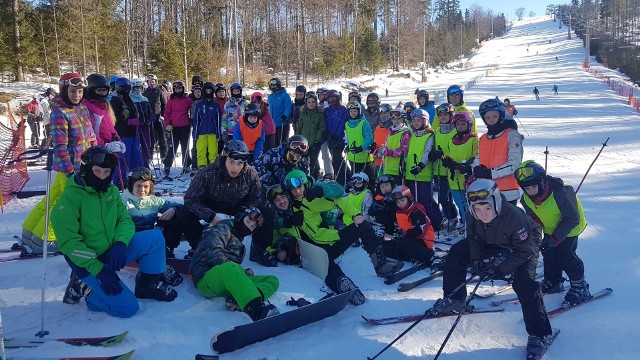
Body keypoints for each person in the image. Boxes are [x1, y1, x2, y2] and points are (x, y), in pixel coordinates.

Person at [432, 179, 553, 358]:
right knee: (457, 252)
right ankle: (456, 299)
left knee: (524, 282)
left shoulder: (515, 217)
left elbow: (524, 252)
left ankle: (539, 334)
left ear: (495, 202)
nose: (483, 214)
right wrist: (477, 261)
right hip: (492, 238)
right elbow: (474, 239)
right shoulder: (473, 214)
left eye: (487, 208)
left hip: (524, 243)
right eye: (478, 210)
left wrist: (499, 270)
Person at [52, 147, 177, 318]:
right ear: (86, 170)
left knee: (155, 237)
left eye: (106, 171)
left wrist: (121, 243)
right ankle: (83, 287)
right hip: (89, 262)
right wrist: (99, 270)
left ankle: (147, 286)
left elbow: (124, 220)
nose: (102, 176)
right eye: (96, 171)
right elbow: (69, 243)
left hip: (113, 251)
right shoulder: (70, 198)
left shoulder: (110, 191)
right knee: (127, 309)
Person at [20, 73, 97, 256]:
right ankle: (45, 239)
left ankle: (30, 232)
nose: (76, 95)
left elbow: (91, 136)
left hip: (83, 164)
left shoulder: (82, 110)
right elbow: (59, 145)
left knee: (53, 199)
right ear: (64, 91)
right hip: (70, 168)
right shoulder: (59, 113)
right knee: (65, 206)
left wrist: (96, 153)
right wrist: (70, 170)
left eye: (79, 91)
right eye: (72, 91)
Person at [283, 169, 403, 278]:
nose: (298, 191)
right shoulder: (286, 207)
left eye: (300, 187)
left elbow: (338, 197)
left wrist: (355, 215)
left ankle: (381, 264)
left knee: (364, 225)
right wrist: (285, 223)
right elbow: (277, 228)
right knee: (331, 271)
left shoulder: (311, 200)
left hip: (331, 242)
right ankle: (342, 284)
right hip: (315, 252)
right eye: (293, 189)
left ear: (305, 185)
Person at [515, 161, 591, 305]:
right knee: (548, 251)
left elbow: (572, 218)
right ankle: (553, 281)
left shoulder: (560, 192)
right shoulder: (525, 199)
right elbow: (534, 219)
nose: (530, 191)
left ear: (542, 182)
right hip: (551, 228)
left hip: (570, 228)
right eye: (527, 188)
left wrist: (556, 238)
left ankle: (580, 286)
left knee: (564, 255)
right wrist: (536, 239)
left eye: (533, 186)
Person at [191, 208, 280, 321]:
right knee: (230, 267)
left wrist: (242, 273)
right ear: (241, 217)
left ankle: (237, 300)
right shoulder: (224, 227)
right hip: (205, 279)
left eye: (252, 226)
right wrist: (237, 270)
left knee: (272, 280)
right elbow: (212, 251)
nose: (248, 226)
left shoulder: (239, 241)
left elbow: (231, 269)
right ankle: (257, 310)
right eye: (248, 221)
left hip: (225, 281)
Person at [121, 167, 202, 259]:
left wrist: (174, 209)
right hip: (132, 240)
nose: (142, 190)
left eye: (146, 186)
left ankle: (195, 247)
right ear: (132, 186)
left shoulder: (152, 200)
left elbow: (183, 208)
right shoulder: (123, 203)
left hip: (152, 238)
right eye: (138, 186)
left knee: (179, 214)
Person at [184, 140, 261, 230]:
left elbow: (255, 199)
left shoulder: (251, 174)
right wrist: (210, 216)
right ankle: (196, 240)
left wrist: (244, 215)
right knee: (183, 212)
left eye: (240, 163)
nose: (235, 168)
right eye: (231, 162)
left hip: (236, 209)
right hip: (209, 208)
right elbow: (190, 199)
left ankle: (257, 243)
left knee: (264, 213)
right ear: (224, 158)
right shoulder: (207, 173)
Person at [473, 99, 523, 205]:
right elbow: (478, 159)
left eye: (494, 116)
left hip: (507, 192)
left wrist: (490, 173)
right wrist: (474, 169)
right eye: (487, 117)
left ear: (501, 115)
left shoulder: (512, 135)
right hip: (486, 190)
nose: (491, 120)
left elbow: (514, 163)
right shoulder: (483, 138)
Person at [404, 109, 441, 229]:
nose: (416, 123)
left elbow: (427, 153)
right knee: (415, 200)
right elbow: (409, 152)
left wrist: (421, 165)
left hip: (423, 173)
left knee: (426, 199)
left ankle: (435, 220)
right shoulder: (413, 135)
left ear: (425, 121)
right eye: (414, 121)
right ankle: (420, 220)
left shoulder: (429, 135)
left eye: (418, 121)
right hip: (411, 172)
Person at [441, 111, 478, 231]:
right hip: (454, 178)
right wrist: (447, 161)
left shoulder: (473, 139)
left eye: (463, 124)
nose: (460, 126)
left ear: (469, 125)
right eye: (458, 124)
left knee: (469, 204)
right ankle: (465, 222)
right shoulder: (452, 140)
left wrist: (468, 164)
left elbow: (477, 155)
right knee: (460, 204)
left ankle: (472, 226)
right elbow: (447, 154)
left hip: (467, 178)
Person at [384, 185, 437, 267]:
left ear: (408, 198)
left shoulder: (415, 211)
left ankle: (431, 257)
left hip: (424, 241)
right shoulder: (400, 211)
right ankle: (415, 256)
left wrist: (405, 233)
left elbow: (421, 231)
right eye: (397, 202)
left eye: (402, 200)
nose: (400, 204)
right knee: (387, 246)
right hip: (410, 240)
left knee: (403, 243)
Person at [110, 77, 144, 187]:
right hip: (123, 133)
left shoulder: (128, 98)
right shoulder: (114, 100)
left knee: (136, 156)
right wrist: (127, 121)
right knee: (124, 157)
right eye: (124, 88)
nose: (126, 90)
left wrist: (138, 120)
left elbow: (134, 113)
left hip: (134, 132)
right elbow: (113, 119)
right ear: (118, 88)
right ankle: (120, 180)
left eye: (128, 88)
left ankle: (135, 177)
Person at [431, 103, 458, 231]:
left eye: (446, 114)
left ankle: (453, 218)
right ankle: (450, 217)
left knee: (447, 197)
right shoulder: (437, 131)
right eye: (440, 115)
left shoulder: (455, 130)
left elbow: (457, 148)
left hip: (450, 168)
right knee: (443, 197)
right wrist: (434, 154)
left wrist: (446, 155)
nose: (443, 117)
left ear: (451, 115)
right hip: (439, 169)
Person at [163, 80, 193, 178]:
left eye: (179, 88)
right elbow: (167, 114)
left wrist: (192, 119)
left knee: (185, 146)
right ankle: (167, 164)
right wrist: (167, 124)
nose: (178, 90)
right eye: (176, 88)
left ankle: (186, 164)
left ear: (183, 88)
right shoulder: (171, 101)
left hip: (185, 126)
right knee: (173, 146)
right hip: (174, 127)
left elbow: (192, 109)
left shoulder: (187, 100)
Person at [294, 91, 326, 179]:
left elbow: (321, 128)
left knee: (313, 161)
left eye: (313, 102)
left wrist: (318, 139)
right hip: (303, 143)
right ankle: (302, 178)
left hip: (315, 142)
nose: (311, 104)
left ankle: (314, 178)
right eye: (309, 102)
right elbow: (299, 127)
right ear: (306, 103)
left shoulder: (319, 114)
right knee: (302, 161)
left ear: (316, 103)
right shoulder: (303, 114)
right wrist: (297, 138)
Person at [192, 82, 222, 169]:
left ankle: (212, 169)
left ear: (212, 92)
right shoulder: (199, 105)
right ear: (204, 91)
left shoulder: (216, 105)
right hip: (201, 132)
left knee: (213, 152)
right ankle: (202, 168)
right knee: (201, 151)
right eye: (207, 90)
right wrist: (195, 134)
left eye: (210, 91)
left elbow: (218, 121)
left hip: (213, 132)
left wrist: (219, 134)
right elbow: (196, 121)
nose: (208, 92)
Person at [345, 101, 375, 185]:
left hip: (364, 157)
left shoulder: (364, 123)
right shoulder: (347, 124)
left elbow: (369, 138)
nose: (353, 113)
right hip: (352, 157)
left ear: (359, 111)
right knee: (356, 178)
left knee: (368, 178)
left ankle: (372, 193)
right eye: (351, 111)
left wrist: (361, 148)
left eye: (355, 111)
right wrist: (347, 146)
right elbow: (348, 137)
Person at [323, 89, 349, 184]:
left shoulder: (343, 110)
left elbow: (343, 123)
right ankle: (345, 175)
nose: (332, 100)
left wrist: (337, 135)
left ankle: (342, 179)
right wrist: (328, 135)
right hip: (330, 139)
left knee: (336, 159)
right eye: (330, 99)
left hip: (339, 139)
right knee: (336, 159)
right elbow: (325, 123)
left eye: (334, 98)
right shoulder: (327, 111)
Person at [379, 108, 410, 185]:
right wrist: (380, 151)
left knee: (397, 189)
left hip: (398, 167)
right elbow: (386, 145)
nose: (396, 121)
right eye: (393, 119)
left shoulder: (405, 132)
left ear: (403, 119)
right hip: (388, 166)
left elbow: (404, 150)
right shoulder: (390, 131)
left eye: (399, 118)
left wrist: (389, 152)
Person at [130, 79, 154, 168]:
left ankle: (146, 163)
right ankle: (139, 165)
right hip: (137, 127)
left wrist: (151, 116)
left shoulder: (145, 99)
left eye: (140, 88)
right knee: (138, 147)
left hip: (146, 126)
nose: (138, 90)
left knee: (147, 145)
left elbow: (149, 110)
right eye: (136, 88)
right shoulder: (130, 99)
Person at [143, 74, 168, 159]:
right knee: (151, 138)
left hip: (158, 117)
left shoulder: (159, 91)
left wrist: (163, 115)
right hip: (150, 118)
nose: (151, 83)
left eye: (153, 82)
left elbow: (164, 104)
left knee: (162, 137)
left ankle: (164, 155)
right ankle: (150, 155)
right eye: (150, 82)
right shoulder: (145, 93)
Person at [267, 78, 293, 146]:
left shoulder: (285, 95)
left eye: (274, 85)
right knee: (274, 143)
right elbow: (268, 108)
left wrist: (285, 115)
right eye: (271, 85)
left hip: (282, 123)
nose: (273, 87)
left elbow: (288, 107)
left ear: (278, 85)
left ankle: (283, 156)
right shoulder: (270, 97)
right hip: (272, 124)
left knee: (282, 142)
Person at [223, 82, 248, 150]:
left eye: (238, 91)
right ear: (231, 92)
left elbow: (248, 118)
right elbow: (224, 118)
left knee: (241, 149)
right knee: (231, 150)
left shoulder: (245, 103)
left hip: (242, 132)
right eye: (234, 91)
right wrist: (224, 131)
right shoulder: (227, 104)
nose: (236, 93)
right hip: (230, 132)